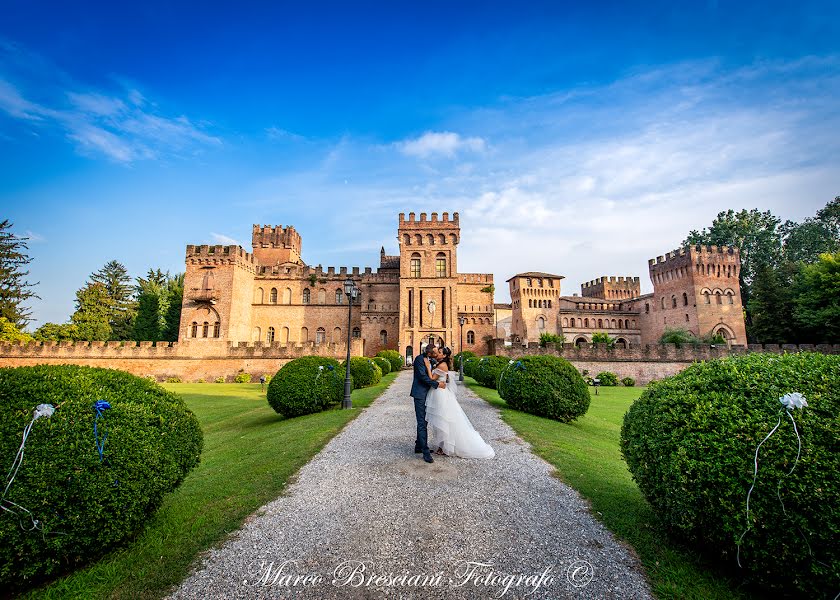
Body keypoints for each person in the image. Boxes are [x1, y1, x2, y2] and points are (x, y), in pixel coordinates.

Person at [425, 347, 495, 459]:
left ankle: (445, 447)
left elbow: (432, 379)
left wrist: (427, 366)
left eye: (439, 352)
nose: (437, 353)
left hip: (440, 395)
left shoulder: (442, 365)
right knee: (441, 420)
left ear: (444, 356)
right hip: (439, 393)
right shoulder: (440, 364)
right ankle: (442, 446)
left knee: (444, 420)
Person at [410, 344, 445, 463]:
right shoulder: (419, 360)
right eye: (435, 352)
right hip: (419, 394)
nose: (437, 353)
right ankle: (425, 452)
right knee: (421, 422)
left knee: (424, 421)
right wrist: (437, 385)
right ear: (429, 353)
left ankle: (418, 446)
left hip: (427, 394)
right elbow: (422, 377)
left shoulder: (432, 360)